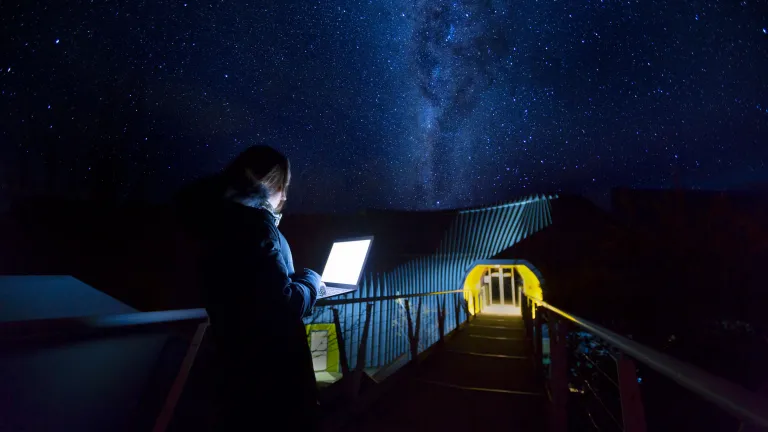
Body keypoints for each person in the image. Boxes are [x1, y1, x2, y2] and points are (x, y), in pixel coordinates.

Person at [175, 145, 326, 431]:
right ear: (273, 184)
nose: (286, 196)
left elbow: (252, 290)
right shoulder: (255, 226)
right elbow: (281, 307)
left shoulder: (215, 223)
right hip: (272, 374)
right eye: (285, 186)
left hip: (233, 367)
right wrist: (312, 282)